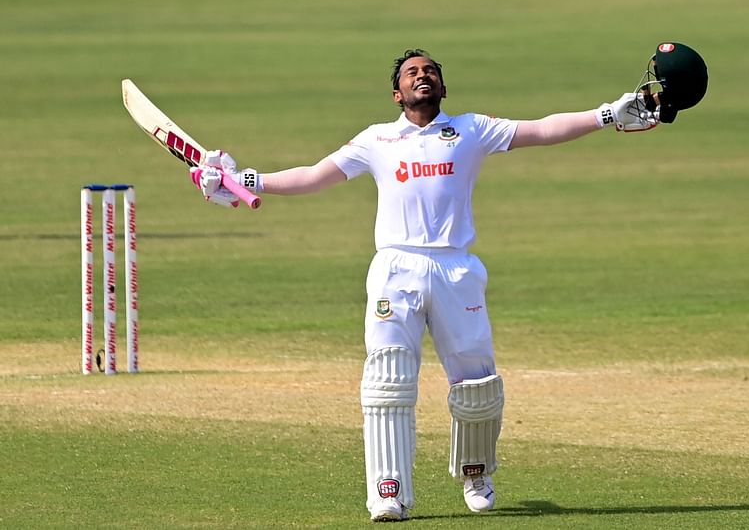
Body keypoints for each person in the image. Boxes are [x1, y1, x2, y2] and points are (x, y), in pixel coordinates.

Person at [189, 48, 658, 522]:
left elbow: (541, 129)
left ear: (442, 87)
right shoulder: (377, 140)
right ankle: (388, 491)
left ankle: (476, 471)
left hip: (456, 268)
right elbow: (314, 175)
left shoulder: (471, 129)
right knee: (388, 380)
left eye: (430, 70)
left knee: (477, 384)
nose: (422, 75)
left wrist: (606, 114)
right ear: (397, 92)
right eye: (412, 73)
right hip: (396, 268)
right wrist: (244, 178)